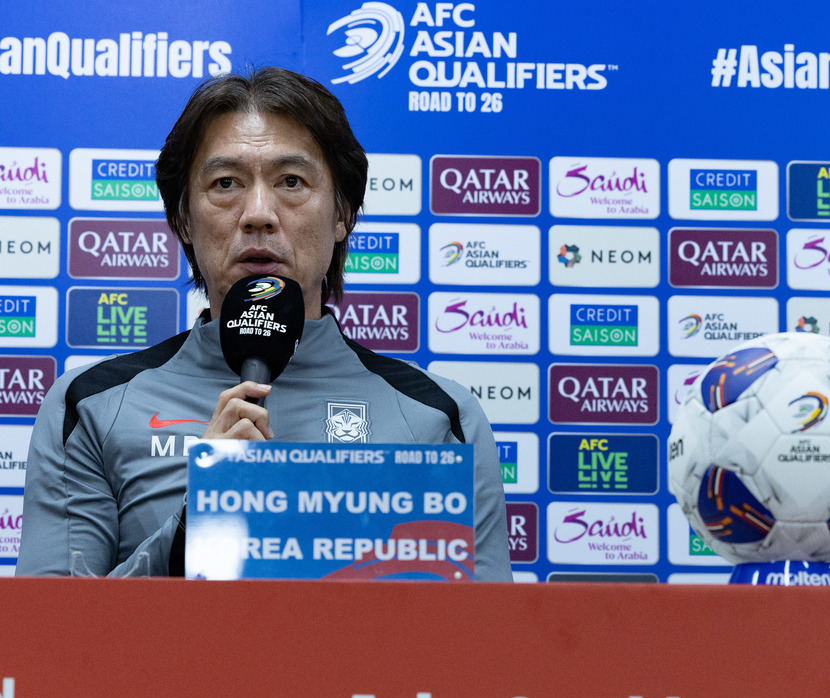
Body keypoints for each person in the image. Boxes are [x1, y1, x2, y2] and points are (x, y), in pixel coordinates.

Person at [17, 67, 511, 580]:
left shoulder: (439, 417)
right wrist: (193, 528)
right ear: (183, 219)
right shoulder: (91, 405)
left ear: (342, 213)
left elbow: (485, 647)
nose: (258, 213)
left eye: (291, 182)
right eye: (226, 183)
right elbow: (54, 643)